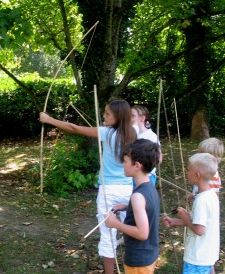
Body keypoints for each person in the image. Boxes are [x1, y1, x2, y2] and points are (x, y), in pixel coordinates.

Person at [40, 98, 137, 274]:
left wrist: (49, 120)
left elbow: (74, 128)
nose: (104, 116)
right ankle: (134, 268)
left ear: (118, 117)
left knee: (108, 233)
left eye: (107, 114)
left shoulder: (107, 133)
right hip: (129, 190)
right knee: (131, 230)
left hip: (109, 190)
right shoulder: (133, 132)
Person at [105, 139, 161, 273]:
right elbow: (147, 209)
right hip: (149, 254)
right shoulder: (149, 187)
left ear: (137, 165)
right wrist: (126, 207)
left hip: (138, 261)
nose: (123, 165)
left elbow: (142, 233)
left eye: (125, 161)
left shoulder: (137, 196)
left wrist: (115, 223)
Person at [162, 153, 220, 274]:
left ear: (197, 175)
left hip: (197, 257)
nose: (186, 172)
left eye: (188, 170)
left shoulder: (201, 201)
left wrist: (185, 217)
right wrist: (175, 221)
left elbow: (199, 230)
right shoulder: (211, 195)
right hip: (207, 254)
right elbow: (201, 221)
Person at [131, 105, 162, 186]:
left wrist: (143, 167)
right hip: (131, 177)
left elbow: (159, 158)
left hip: (146, 177)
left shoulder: (151, 136)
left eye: (132, 116)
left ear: (142, 118)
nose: (129, 118)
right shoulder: (131, 135)